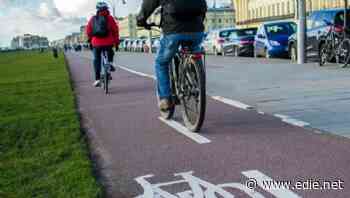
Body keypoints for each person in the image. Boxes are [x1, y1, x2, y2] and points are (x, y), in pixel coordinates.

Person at [136, 0, 207, 111]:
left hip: (173, 30)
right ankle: (196, 81)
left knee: (161, 63)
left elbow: (149, 4)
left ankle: (165, 99)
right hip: (196, 30)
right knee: (194, 52)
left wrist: (141, 20)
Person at [86, 1, 120, 87]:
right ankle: (110, 64)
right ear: (107, 9)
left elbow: (88, 31)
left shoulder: (93, 19)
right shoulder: (110, 18)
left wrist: (90, 40)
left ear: (97, 10)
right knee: (110, 52)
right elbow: (115, 31)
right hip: (108, 42)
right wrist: (116, 43)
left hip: (96, 43)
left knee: (96, 60)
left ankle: (97, 79)